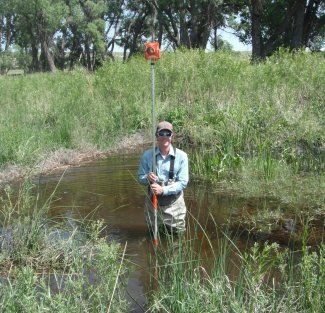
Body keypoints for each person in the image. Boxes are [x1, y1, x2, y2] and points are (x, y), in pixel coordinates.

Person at [138, 121, 189, 235]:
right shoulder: (147, 155)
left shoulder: (182, 156)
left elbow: (183, 183)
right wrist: (147, 177)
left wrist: (163, 190)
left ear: (172, 136)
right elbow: (140, 178)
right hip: (153, 204)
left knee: (177, 235)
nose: (165, 137)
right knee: (153, 234)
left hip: (175, 205)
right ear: (157, 136)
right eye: (161, 134)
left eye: (168, 133)